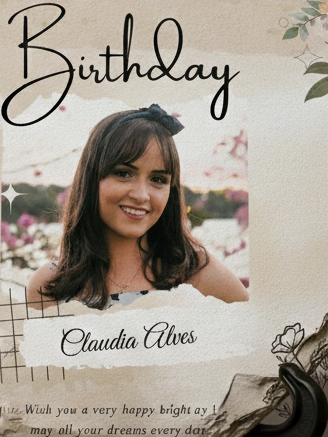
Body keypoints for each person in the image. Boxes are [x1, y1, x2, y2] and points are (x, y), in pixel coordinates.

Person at [26, 104, 249, 310]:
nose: (141, 195)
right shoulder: (49, 286)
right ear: (92, 179)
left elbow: (260, 341)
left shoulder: (195, 273)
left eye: (158, 179)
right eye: (124, 173)